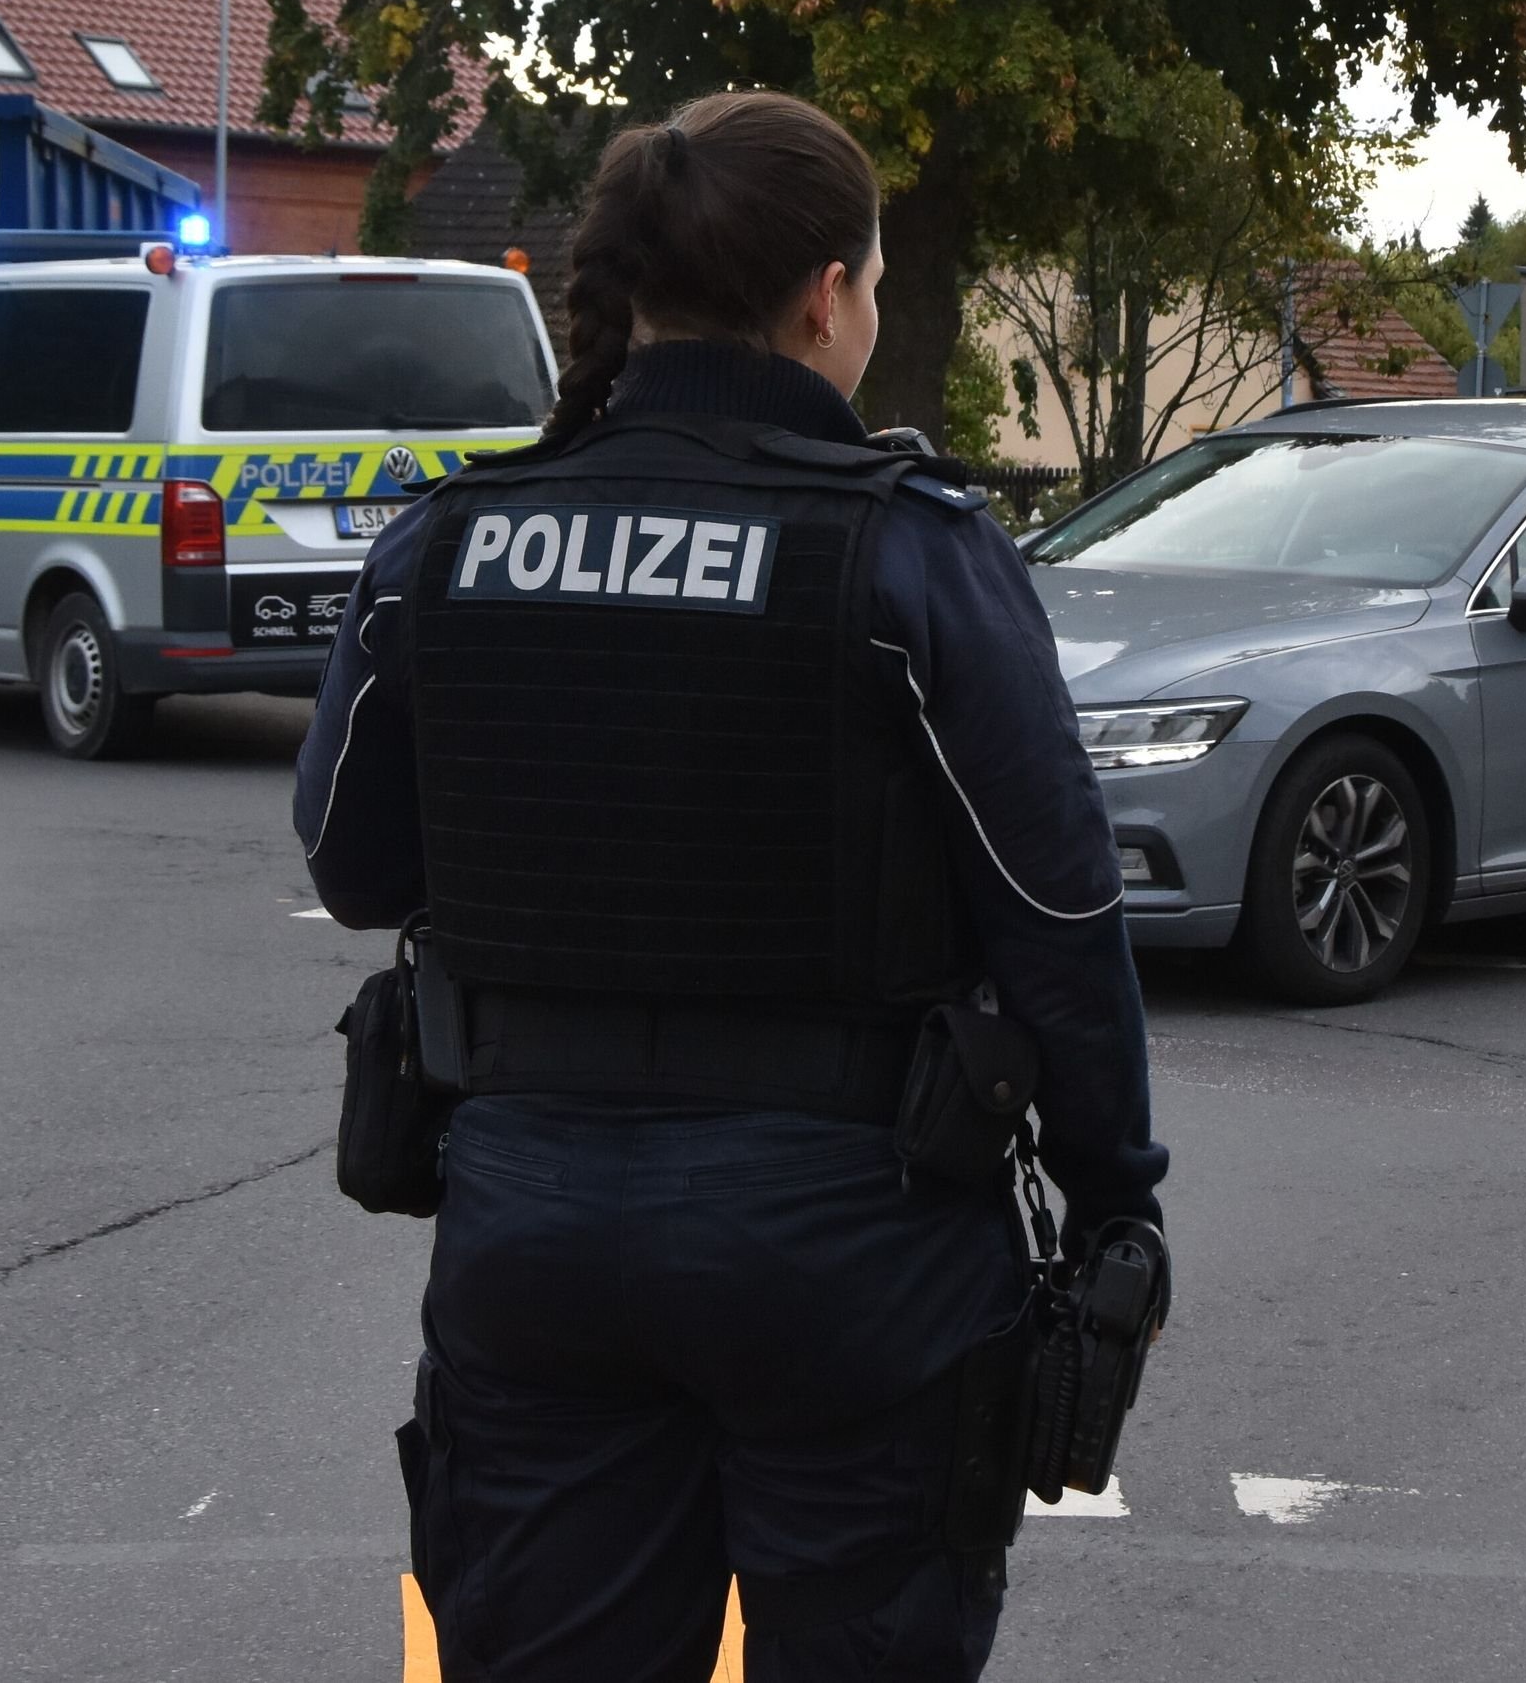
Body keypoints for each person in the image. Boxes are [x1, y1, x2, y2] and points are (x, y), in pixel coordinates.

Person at [293, 88, 1165, 1683]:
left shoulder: (449, 539)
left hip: (533, 1235)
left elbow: (353, 863)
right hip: (856, 1258)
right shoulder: (912, 554)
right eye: (880, 286)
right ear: (827, 292)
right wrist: (1117, 1195)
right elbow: (1057, 921)